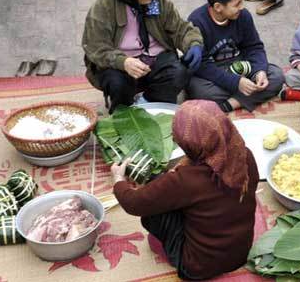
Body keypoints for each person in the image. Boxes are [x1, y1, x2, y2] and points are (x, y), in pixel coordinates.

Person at [111, 100, 259, 280]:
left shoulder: (185, 180)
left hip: (197, 266)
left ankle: (169, 250)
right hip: (239, 254)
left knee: (154, 207)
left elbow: (133, 203)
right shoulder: (245, 155)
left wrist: (118, 179)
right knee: (167, 191)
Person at [82, 0, 204, 113]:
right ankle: (124, 113)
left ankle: (149, 101)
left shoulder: (156, 0)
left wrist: (193, 43)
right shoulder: (104, 7)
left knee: (179, 72)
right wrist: (123, 62)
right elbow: (95, 47)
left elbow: (180, 28)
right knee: (118, 84)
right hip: (120, 63)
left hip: (154, 57)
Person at [186, 0, 284, 112]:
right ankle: (247, 96)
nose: (242, 7)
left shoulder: (243, 16)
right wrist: (235, 83)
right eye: (237, 4)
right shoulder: (197, 22)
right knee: (198, 90)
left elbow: (254, 46)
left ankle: (230, 104)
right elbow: (202, 65)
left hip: (242, 67)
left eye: (242, 1)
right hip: (214, 71)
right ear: (218, 7)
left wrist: (259, 71)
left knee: (276, 76)